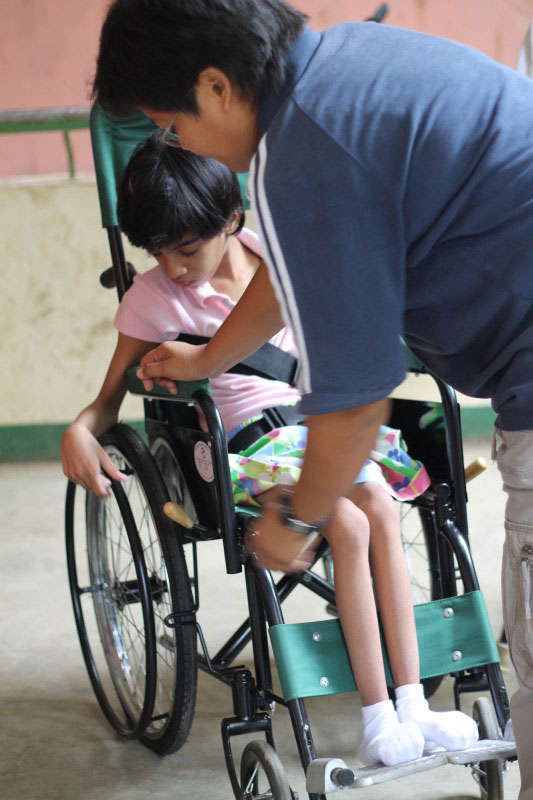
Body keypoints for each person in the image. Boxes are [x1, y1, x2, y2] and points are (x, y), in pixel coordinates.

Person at [91, 2, 533, 793]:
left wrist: (292, 520)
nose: (178, 143)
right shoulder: (352, 64)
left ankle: (398, 702)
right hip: (281, 425)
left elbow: (357, 395)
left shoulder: (303, 154)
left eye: (170, 122)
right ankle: (386, 707)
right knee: (363, 515)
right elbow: (286, 284)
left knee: (366, 516)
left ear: (217, 87)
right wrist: (206, 359)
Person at [61, 136, 477, 766]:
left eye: (186, 249)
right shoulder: (152, 298)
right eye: (156, 252)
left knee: (382, 509)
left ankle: (413, 701)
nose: (172, 266)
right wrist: (80, 430)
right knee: (345, 520)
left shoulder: (281, 259)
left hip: (320, 428)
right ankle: (375, 714)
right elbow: (107, 402)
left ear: (231, 220)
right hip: (247, 450)